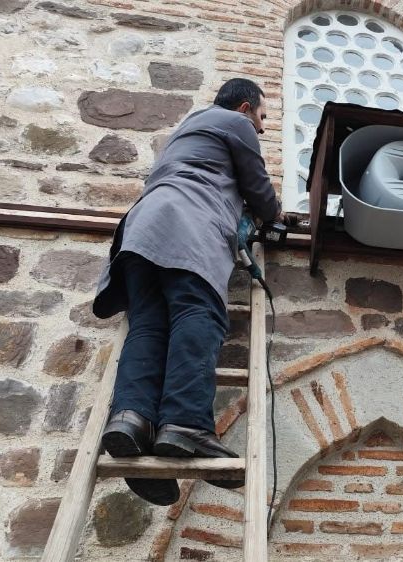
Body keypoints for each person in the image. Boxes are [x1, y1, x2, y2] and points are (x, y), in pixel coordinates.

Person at [91, 78, 281, 506]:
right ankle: (186, 424)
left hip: (142, 231)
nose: (263, 129)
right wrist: (276, 214)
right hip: (187, 224)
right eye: (263, 118)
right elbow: (258, 186)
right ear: (246, 107)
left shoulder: (187, 131)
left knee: (149, 326)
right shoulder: (235, 123)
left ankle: (132, 420)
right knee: (199, 314)